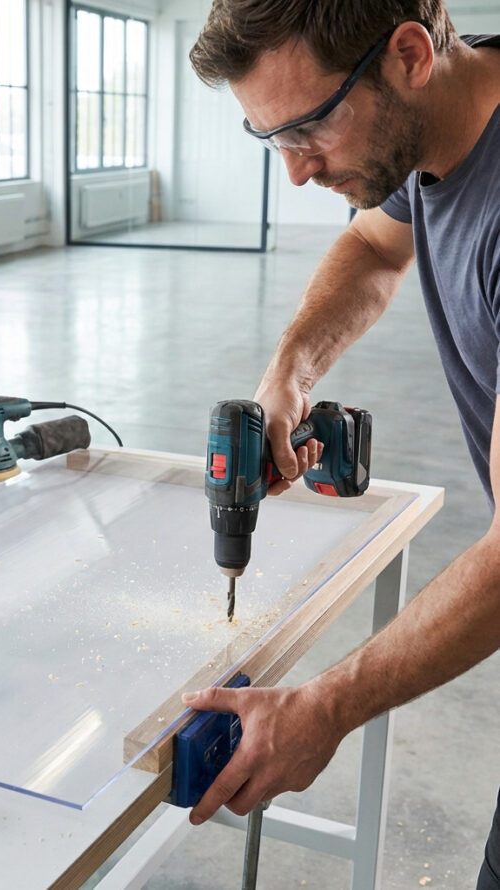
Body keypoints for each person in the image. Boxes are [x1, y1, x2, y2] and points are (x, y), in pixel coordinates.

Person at [183, 1, 500, 884]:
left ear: (408, 53)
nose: (293, 172)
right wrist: (291, 371)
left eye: (310, 126)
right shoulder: (434, 123)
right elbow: (373, 247)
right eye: (268, 138)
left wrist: (323, 705)